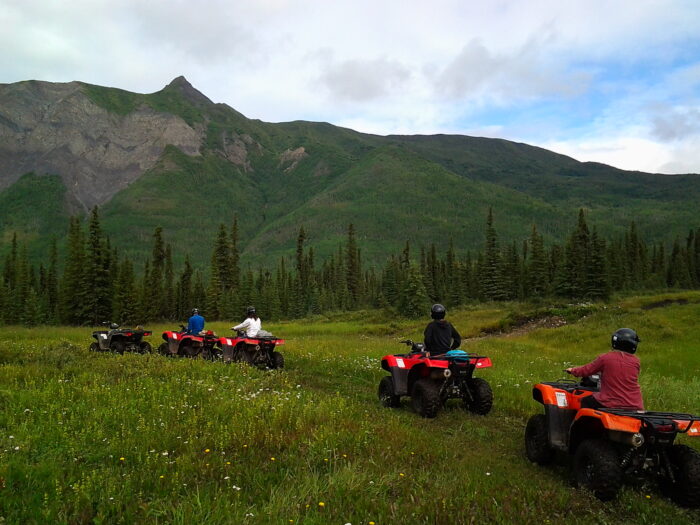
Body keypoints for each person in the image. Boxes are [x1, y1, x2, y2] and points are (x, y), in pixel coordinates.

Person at [566, 328, 644, 410]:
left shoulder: (605, 358)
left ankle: (582, 423)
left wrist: (572, 370)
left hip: (611, 402)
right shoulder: (636, 361)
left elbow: (586, 370)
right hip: (635, 404)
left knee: (585, 401)